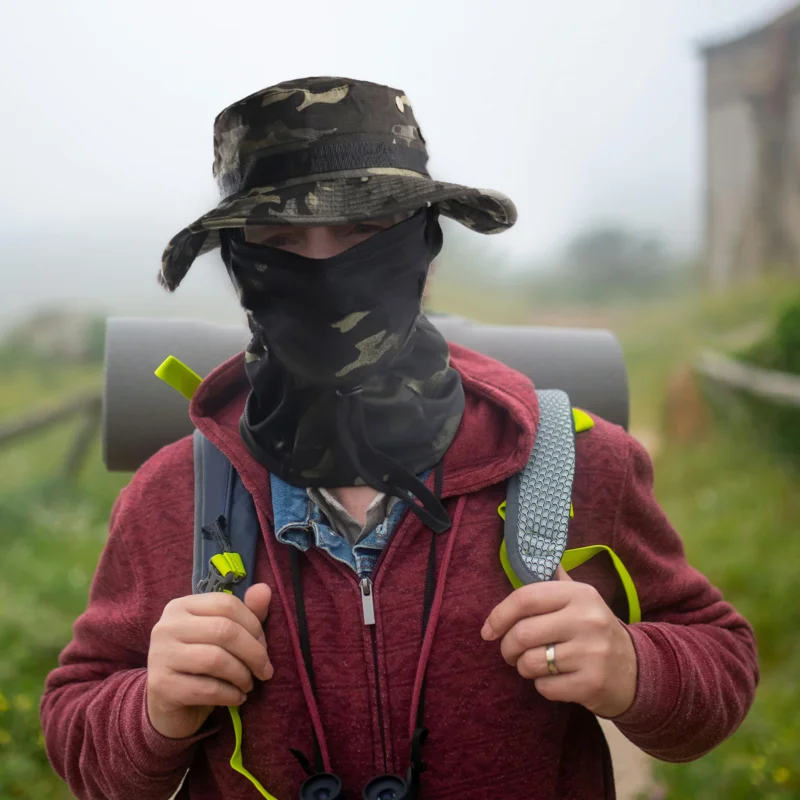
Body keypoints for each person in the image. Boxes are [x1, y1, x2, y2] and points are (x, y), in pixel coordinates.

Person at [40, 76, 758, 800]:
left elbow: (721, 665)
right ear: (237, 264)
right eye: (282, 239)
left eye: (362, 231)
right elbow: (77, 727)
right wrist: (153, 709)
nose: (324, 267)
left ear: (426, 244)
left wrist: (635, 670)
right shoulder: (172, 495)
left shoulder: (572, 463)